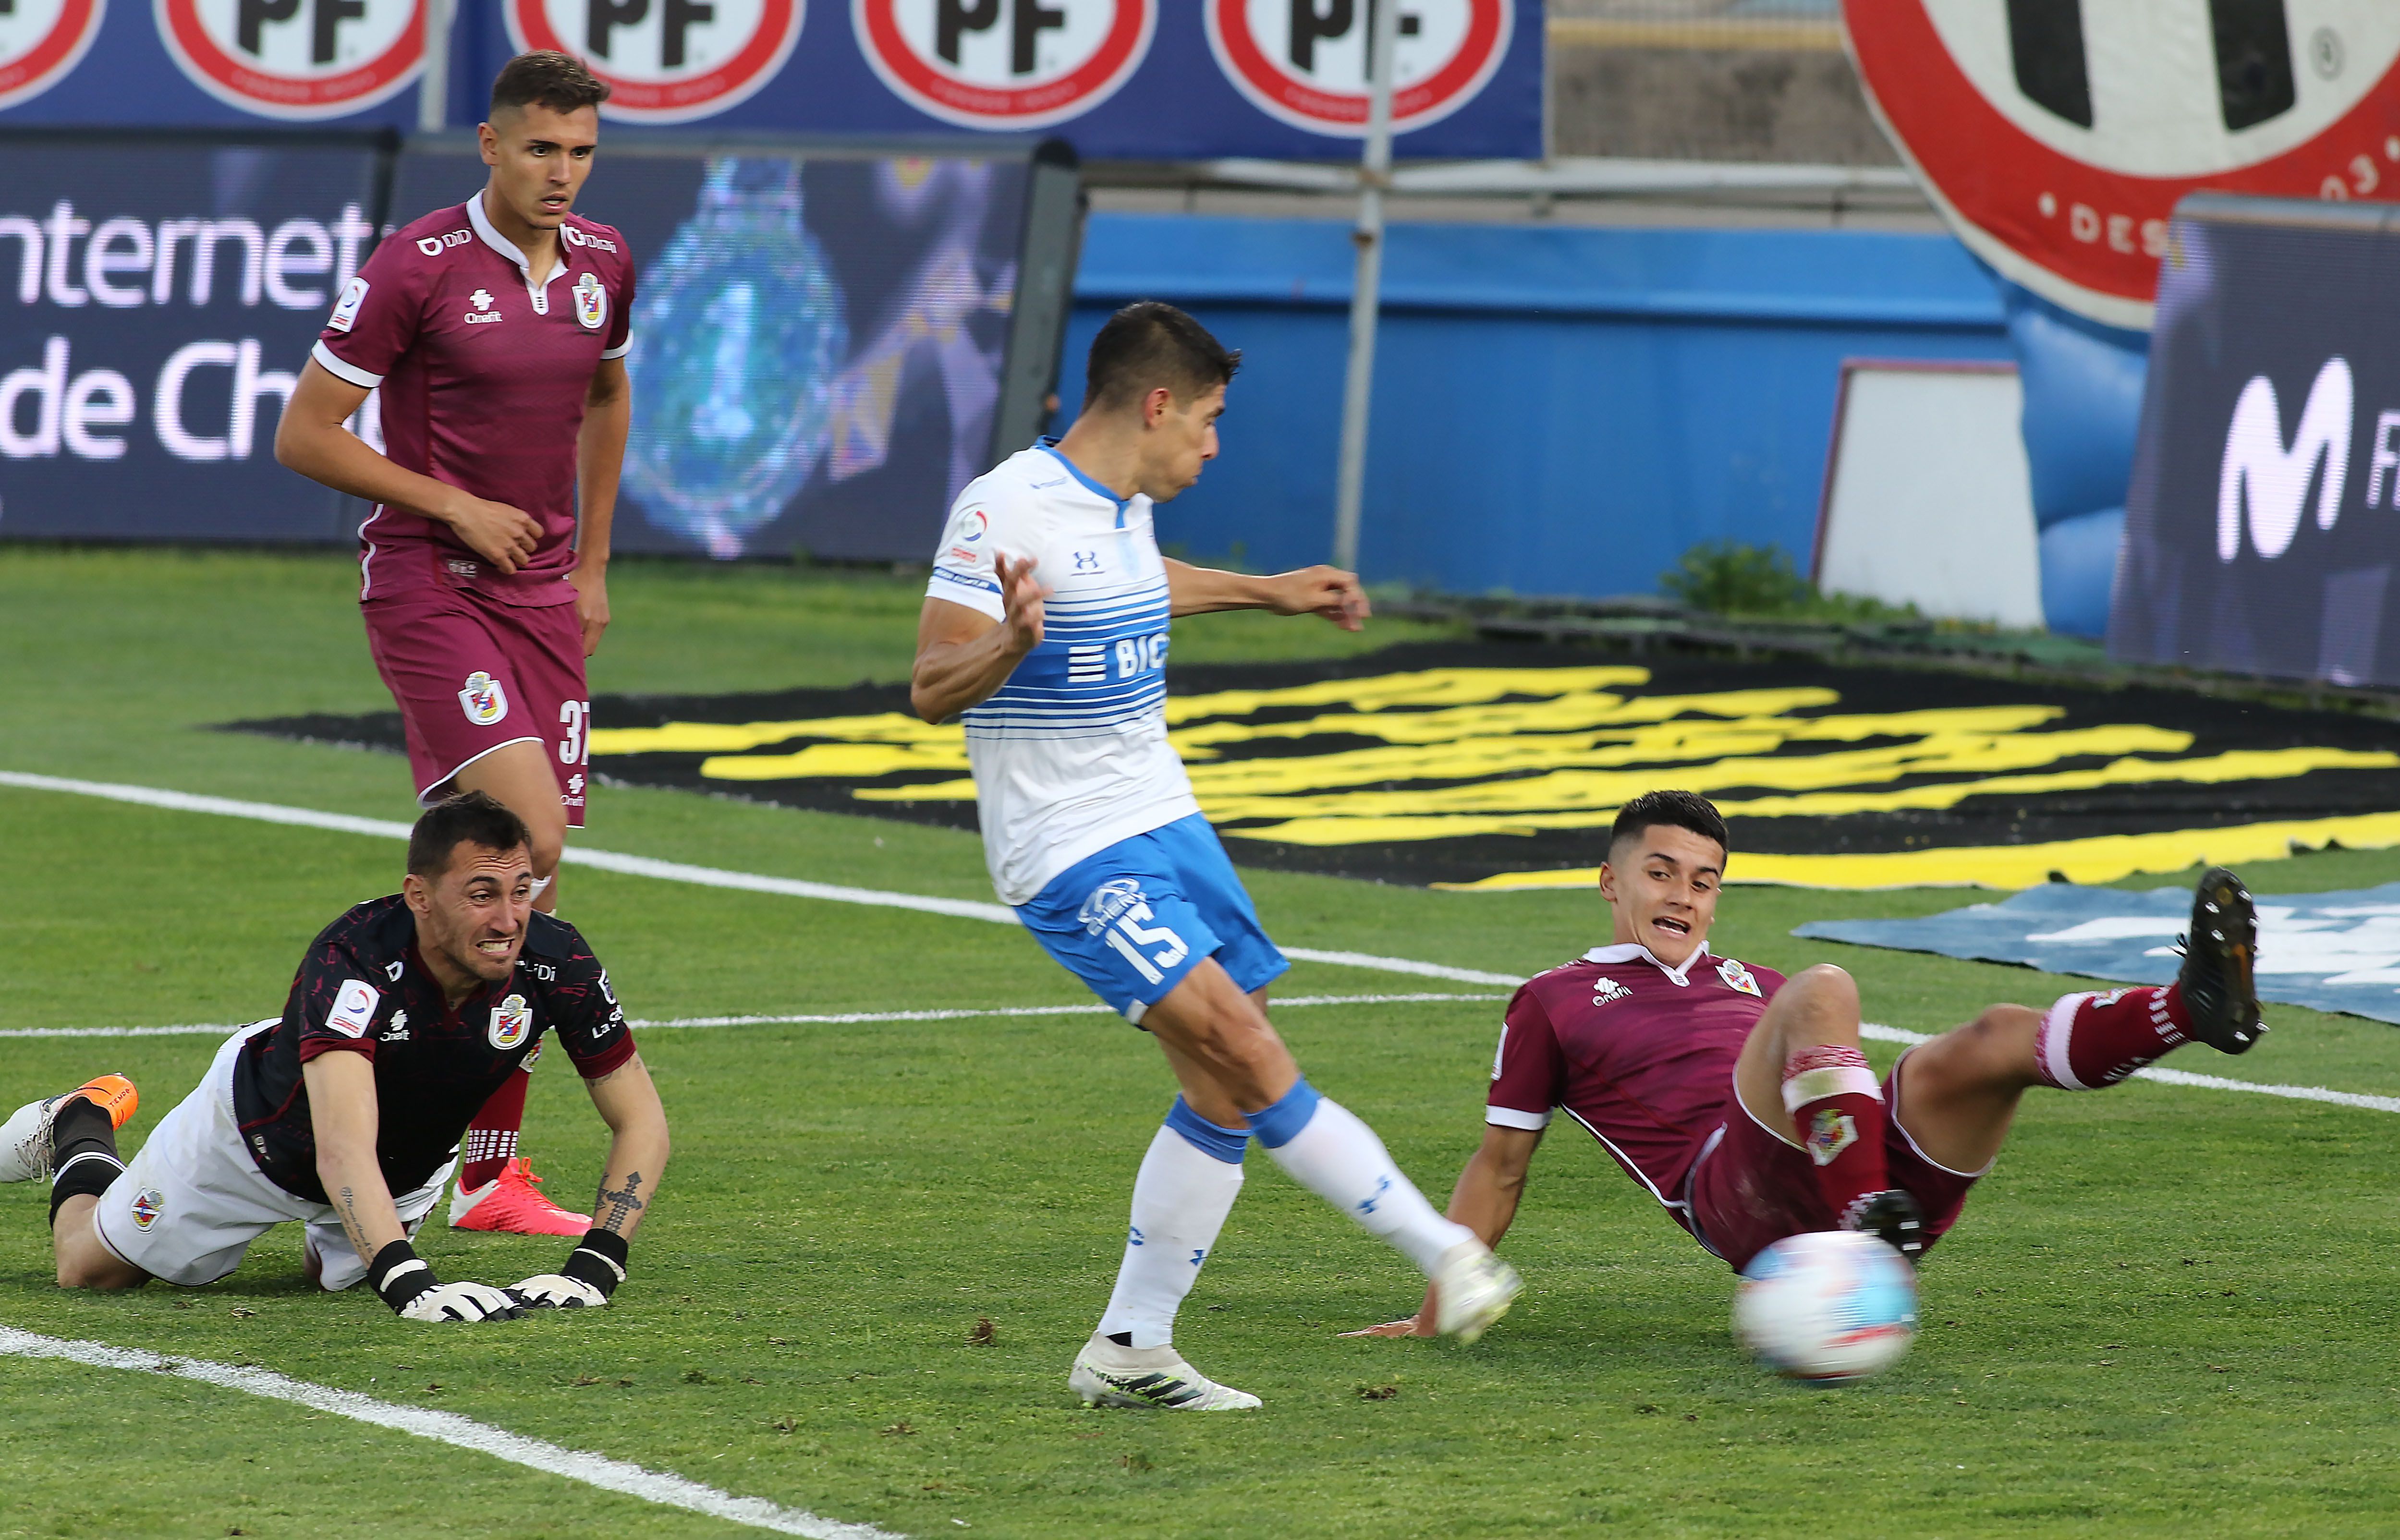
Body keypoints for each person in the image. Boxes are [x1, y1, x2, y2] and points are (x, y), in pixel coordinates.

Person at [910, 301, 1523, 1412]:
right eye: (1209, 419)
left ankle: (1132, 1346)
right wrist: (1008, 642)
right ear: (1155, 406)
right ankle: (1445, 1252)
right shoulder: (1005, 507)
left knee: (1225, 1085)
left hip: (1164, 818)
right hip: (1069, 848)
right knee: (1242, 1042)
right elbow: (926, 685)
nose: (1215, 442)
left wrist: (1267, 589)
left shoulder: (1124, 505)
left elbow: (1133, 580)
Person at [1348, 789, 2265, 1337]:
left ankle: (2188, 1008)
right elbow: (1500, 1167)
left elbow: (1834, 1073)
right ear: (1610, 881)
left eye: (1703, 882)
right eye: (1660, 872)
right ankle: (1864, 1216)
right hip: (1735, 1194)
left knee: (1990, 1039)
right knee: (1823, 986)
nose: (1683, 896)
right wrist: (1439, 1303)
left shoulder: (1761, 982)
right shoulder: (1552, 998)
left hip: (1846, 1164)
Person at [274, 50, 637, 1237]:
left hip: (543, 597)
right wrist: (453, 505)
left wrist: (587, 564)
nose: (563, 173)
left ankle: (469, 1159)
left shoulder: (603, 264)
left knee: (514, 882)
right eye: (542, 148)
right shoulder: (414, 267)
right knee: (521, 844)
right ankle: (403, 1117)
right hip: (431, 581)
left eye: (582, 152)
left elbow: (605, 395)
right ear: (490, 144)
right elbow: (307, 436)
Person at [0, 793, 670, 1319]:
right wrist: (409, 1284)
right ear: (419, 897)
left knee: (333, 1281)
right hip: (256, 1140)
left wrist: (596, 1267)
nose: (508, 920)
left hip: (403, 1167)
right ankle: (78, 1122)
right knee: (90, 1271)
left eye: (521, 890)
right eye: (481, 895)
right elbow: (341, 1146)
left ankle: (349, 1241)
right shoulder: (355, 958)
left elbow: (641, 1121)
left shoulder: (557, 960)